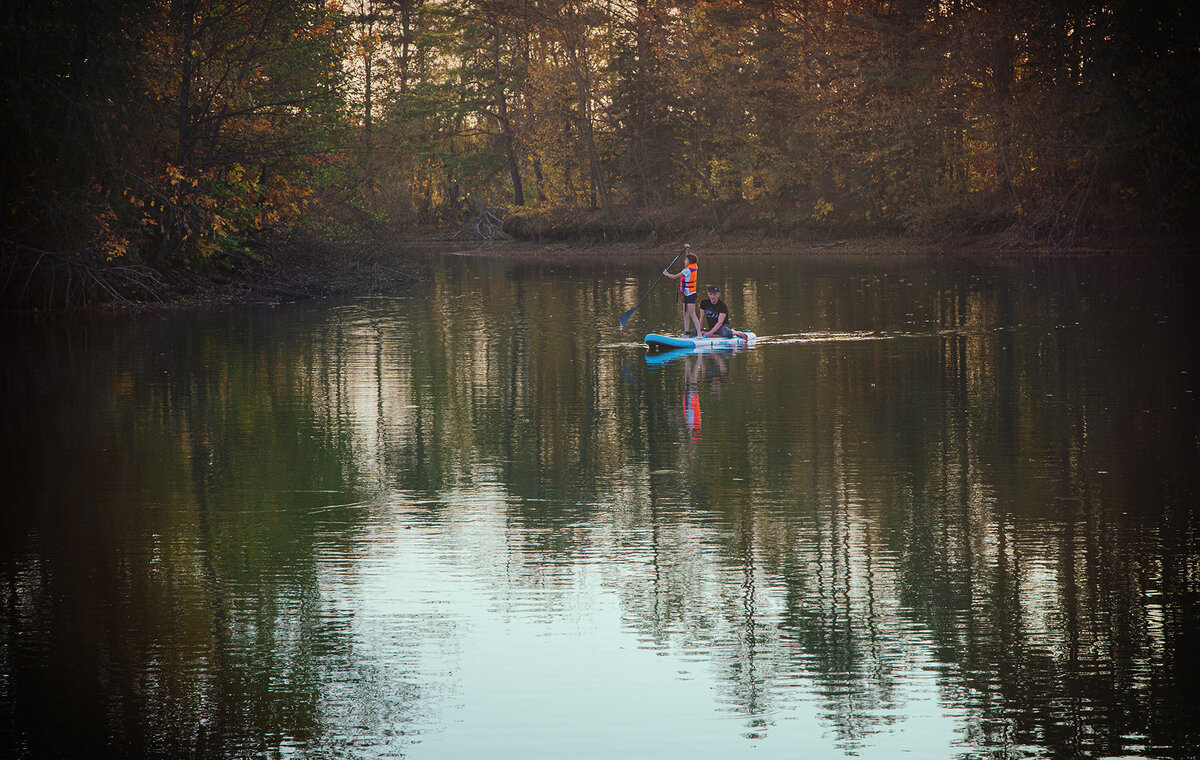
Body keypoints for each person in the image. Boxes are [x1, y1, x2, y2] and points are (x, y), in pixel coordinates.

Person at [662, 245, 703, 337]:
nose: (684, 261)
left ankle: (699, 334)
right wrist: (687, 249)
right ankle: (686, 334)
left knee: (692, 314)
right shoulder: (691, 266)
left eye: (685, 260)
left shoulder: (688, 270)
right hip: (686, 294)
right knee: (685, 313)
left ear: (690, 262)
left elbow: (675, 276)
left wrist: (666, 274)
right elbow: (688, 256)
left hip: (691, 294)